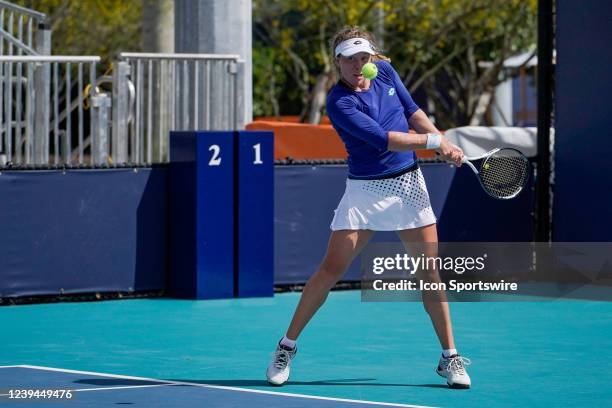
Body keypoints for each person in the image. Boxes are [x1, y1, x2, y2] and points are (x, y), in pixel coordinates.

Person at [266, 26, 472, 389]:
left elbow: (413, 111)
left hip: (409, 185)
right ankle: (286, 346)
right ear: (338, 63)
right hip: (366, 191)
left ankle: (450, 357)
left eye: (364, 58)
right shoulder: (339, 102)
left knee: (430, 274)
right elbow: (384, 140)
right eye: (351, 60)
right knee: (330, 270)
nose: (359, 66)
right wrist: (435, 142)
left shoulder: (386, 73)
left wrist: (440, 138)